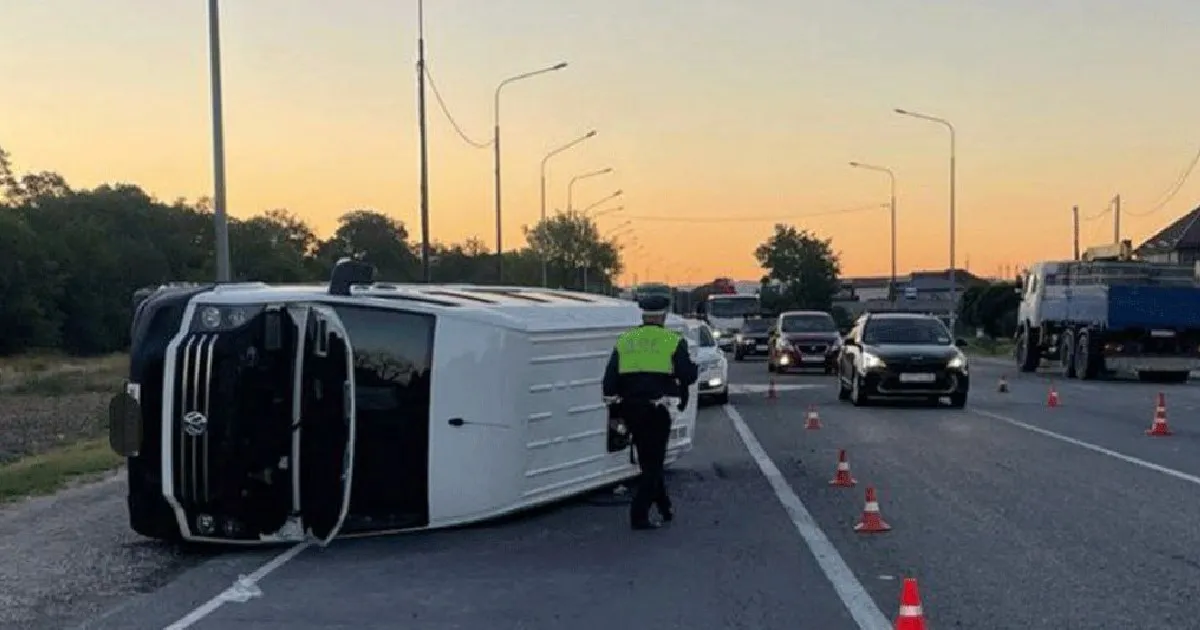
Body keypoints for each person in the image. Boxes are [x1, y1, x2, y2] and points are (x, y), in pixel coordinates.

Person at [602, 294, 698, 530]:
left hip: (630, 408)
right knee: (654, 462)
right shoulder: (672, 340)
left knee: (648, 461)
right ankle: (639, 514)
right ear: (664, 315)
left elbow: (609, 380)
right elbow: (688, 376)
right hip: (657, 408)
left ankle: (665, 507)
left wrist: (615, 407)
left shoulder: (626, 340)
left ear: (643, 315)